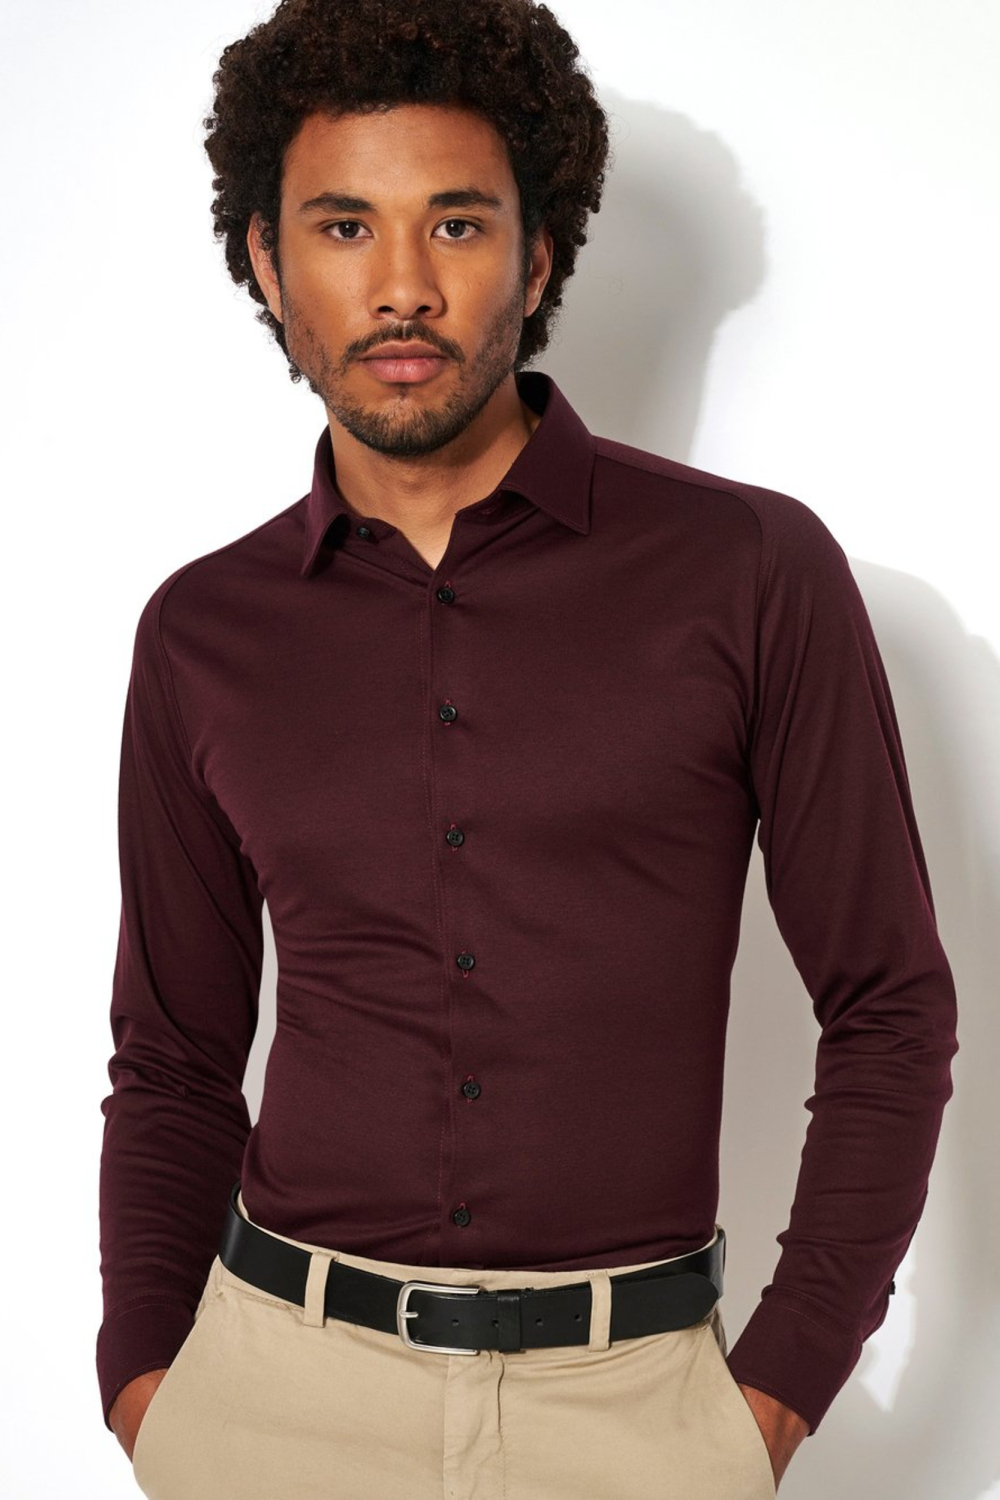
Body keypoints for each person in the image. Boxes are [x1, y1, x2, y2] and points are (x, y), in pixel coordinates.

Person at [96, 1, 959, 1495]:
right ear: (267, 263)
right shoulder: (201, 632)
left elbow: (888, 1004)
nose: (404, 286)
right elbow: (173, 1055)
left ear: (540, 254)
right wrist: (144, 1386)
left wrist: (778, 1390)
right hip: (269, 1398)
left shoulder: (752, 573)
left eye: (458, 223)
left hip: (636, 1415)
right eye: (345, 227)